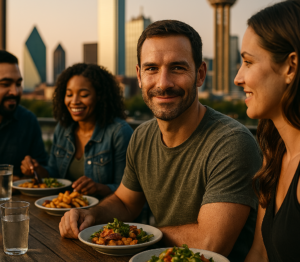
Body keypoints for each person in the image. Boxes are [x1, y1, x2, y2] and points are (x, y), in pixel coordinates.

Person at [59, 20, 261, 262]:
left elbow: (211, 243)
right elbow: (125, 202)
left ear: (200, 74)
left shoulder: (231, 143)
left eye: (177, 68)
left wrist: (134, 234)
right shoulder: (142, 136)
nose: (163, 83)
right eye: (152, 68)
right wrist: (90, 215)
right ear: (139, 76)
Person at [234, 0, 300, 262]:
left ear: (290, 67)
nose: (238, 78)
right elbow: (260, 254)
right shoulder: (274, 154)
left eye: (248, 62)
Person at [21, 63, 133, 197]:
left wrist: (98, 188)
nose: (74, 101)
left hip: (103, 214)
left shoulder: (119, 132)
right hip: (63, 212)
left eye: (84, 95)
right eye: (69, 94)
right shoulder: (62, 128)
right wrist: (37, 170)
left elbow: (130, 192)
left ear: (100, 97)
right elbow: (55, 174)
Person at [0, 50, 48, 180]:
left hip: (18, 200)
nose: (15, 92)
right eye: (5, 84)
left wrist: (34, 169)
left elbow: (44, 174)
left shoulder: (28, 121)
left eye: (18, 84)